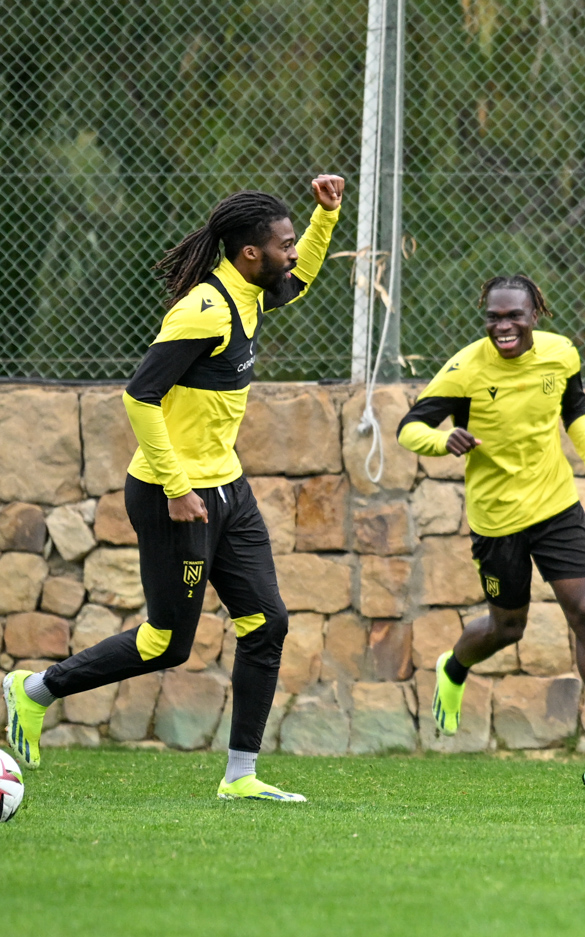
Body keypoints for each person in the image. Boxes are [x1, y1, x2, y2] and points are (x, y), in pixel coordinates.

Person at [3, 177, 346, 801]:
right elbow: (139, 396)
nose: (293, 253)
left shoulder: (253, 291)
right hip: (174, 497)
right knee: (166, 643)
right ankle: (34, 690)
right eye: (286, 244)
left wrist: (326, 216)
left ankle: (240, 777)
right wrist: (177, 484)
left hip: (228, 490)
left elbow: (301, 279)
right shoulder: (204, 310)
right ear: (251, 253)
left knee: (266, 623)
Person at [396, 274, 585, 771]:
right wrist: (443, 441)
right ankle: (455, 666)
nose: (503, 326)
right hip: (497, 520)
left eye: (514, 316)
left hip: (555, 506)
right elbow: (410, 428)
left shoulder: (560, 354)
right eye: (493, 317)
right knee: (507, 627)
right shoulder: (465, 370)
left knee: (584, 606)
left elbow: (574, 410)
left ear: (535, 315)